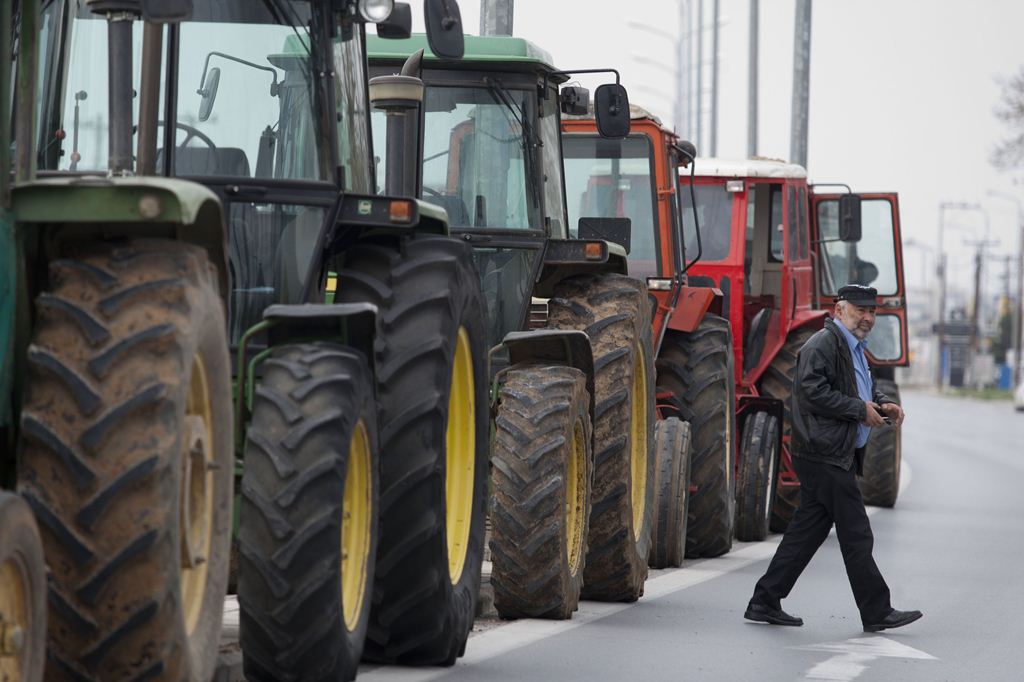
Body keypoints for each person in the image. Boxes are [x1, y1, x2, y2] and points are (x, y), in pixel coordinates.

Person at [744, 284, 922, 633]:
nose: (868, 317)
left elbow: (863, 387)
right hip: (823, 453)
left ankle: (764, 599)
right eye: (860, 310)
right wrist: (858, 410)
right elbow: (811, 392)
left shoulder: (855, 348)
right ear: (840, 310)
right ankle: (877, 610)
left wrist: (882, 402)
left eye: (872, 312)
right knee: (857, 534)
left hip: (833, 453)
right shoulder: (822, 344)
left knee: (807, 532)